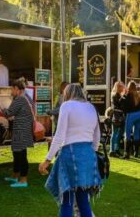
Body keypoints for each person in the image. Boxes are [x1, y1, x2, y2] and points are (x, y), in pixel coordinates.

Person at [39, 84, 102, 217]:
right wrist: (89, 154)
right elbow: (97, 137)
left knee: (66, 200)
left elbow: (59, 135)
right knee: (83, 200)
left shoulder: (66, 106)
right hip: (88, 156)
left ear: (68, 94)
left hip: (70, 154)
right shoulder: (91, 107)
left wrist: (47, 160)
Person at [4, 80, 34, 188]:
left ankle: (23, 180)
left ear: (17, 89)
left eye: (12, 89)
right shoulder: (21, 99)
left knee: (21, 155)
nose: (11, 91)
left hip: (22, 130)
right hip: (21, 130)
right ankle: (15, 175)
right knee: (17, 154)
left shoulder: (20, 99)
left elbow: (8, 113)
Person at [120, 81, 140, 159]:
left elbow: (123, 105)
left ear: (128, 87)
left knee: (127, 134)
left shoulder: (128, 96)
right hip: (139, 114)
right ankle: (136, 152)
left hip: (131, 114)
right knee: (136, 133)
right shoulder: (138, 95)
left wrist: (123, 95)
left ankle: (126, 153)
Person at [108, 81, 125, 157]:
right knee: (115, 133)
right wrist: (123, 97)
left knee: (119, 134)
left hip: (119, 116)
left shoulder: (118, 95)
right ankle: (112, 150)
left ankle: (116, 149)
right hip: (116, 116)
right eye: (121, 86)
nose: (123, 87)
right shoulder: (115, 95)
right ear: (118, 87)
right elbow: (117, 105)